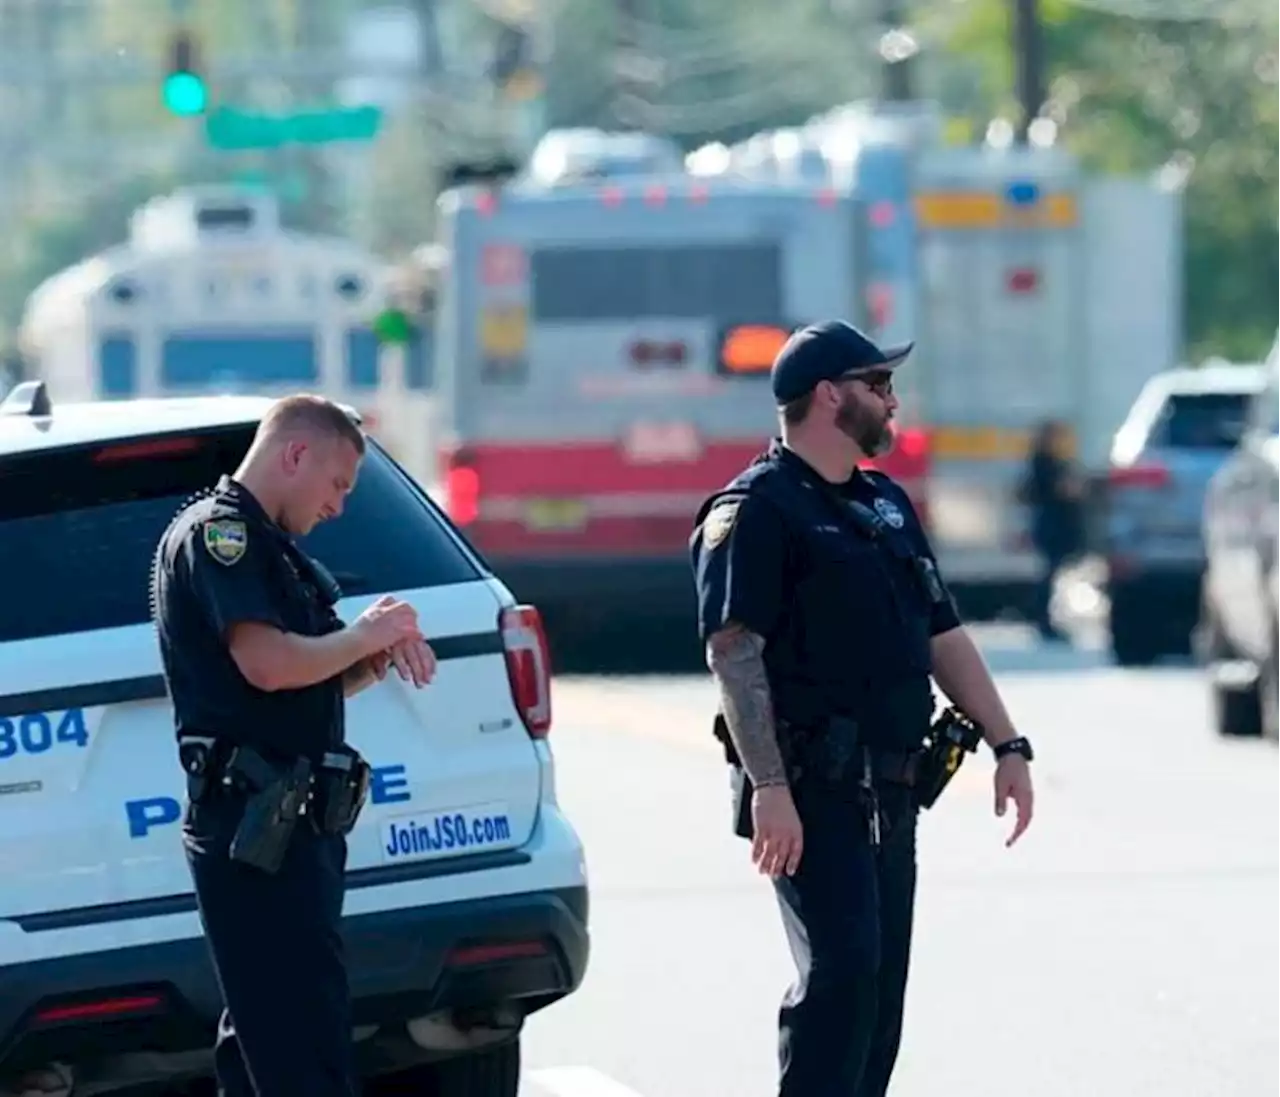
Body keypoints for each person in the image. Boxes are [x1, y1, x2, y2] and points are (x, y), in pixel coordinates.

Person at [689, 320, 1036, 1097]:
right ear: (828, 396)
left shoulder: (885, 504)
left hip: (894, 787)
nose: (893, 401)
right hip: (811, 791)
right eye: (878, 386)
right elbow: (735, 655)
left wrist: (1009, 743)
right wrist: (770, 788)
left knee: (878, 999)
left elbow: (942, 631)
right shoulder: (758, 510)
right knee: (839, 985)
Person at [151, 394, 437, 1097]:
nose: (339, 505)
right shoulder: (224, 537)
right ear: (295, 454)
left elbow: (299, 684)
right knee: (299, 1053)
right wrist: (364, 633)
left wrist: (371, 657)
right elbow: (268, 664)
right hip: (254, 829)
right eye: (338, 484)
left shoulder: (273, 550)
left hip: (287, 829)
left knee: (267, 1044)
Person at [1019, 418, 1086, 641]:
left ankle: (1046, 619)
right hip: (1052, 526)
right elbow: (1061, 490)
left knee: (1051, 575)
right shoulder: (1044, 464)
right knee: (1048, 576)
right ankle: (1043, 620)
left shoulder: (1052, 462)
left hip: (1056, 525)